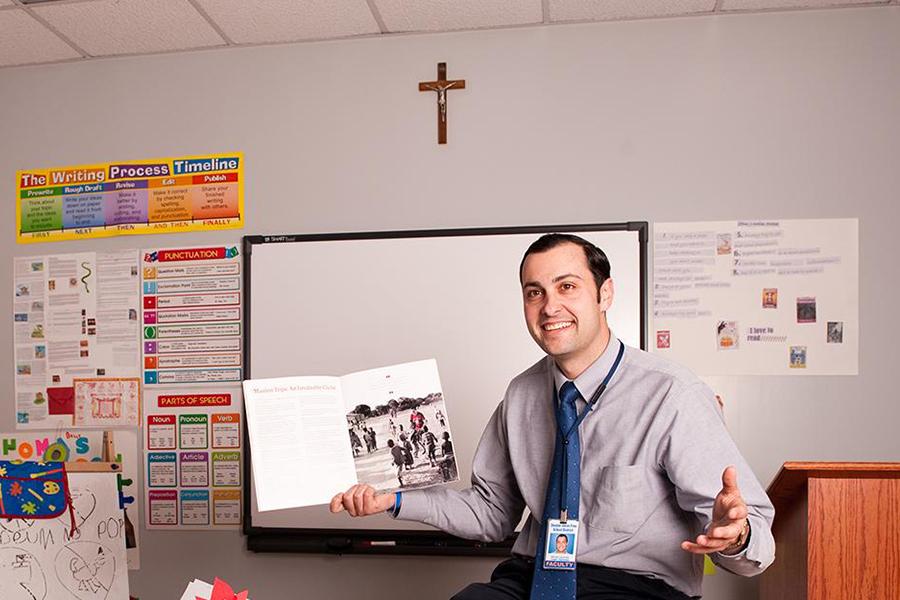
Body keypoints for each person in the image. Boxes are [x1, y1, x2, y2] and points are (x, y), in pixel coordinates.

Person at [331, 233, 775, 599]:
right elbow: (492, 514)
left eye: (567, 287)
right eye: (534, 293)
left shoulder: (673, 394)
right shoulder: (521, 395)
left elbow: (756, 541)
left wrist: (735, 536)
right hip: (528, 578)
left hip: (634, 587)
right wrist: (395, 500)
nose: (549, 307)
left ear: (605, 294)